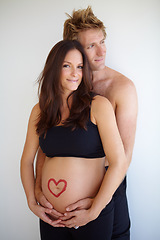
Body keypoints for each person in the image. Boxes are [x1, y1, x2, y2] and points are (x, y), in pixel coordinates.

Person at [35, 6, 138, 239]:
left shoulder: (122, 88)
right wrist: (38, 190)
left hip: (108, 195)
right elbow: (47, 143)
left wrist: (96, 206)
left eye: (102, 41)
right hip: (57, 212)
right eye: (91, 46)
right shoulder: (64, 87)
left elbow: (123, 157)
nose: (101, 51)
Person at [20, 39, 128, 240]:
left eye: (79, 67)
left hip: (92, 215)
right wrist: (32, 201)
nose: (75, 73)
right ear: (54, 68)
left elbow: (118, 163)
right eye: (67, 66)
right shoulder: (40, 111)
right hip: (50, 216)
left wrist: (94, 210)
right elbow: (27, 160)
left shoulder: (98, 105)